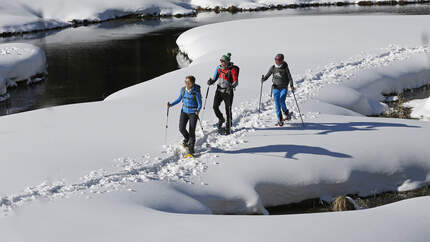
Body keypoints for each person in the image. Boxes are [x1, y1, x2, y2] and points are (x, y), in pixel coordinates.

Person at [167, 76, 202, 154]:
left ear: (192, 83)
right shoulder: (183, 90)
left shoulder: (196, 92)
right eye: (185, 82)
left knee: (192, 131)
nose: (186, 83)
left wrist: (198, 110)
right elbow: (179, 99)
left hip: (193, 112)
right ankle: (187, 138)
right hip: (184, 111)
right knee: (181, 128)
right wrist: (171, 105)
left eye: (188, 82)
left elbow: (200, 104)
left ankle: (191, 149)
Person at [207, 53, 239, 135]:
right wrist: (211, 81)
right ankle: (221, 119)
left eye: (223, 61)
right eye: (221, 61)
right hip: (218, 91)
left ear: (227, 61)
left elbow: (236, 81)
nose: (222, 62)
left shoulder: (232, 70)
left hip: (228, 92)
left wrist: (232, 86)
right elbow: (214, 78)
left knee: (228, 109)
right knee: (215, 107)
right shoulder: (219, 68)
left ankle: (228, 127)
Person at [261, 53, 295, 126]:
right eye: (275, 59)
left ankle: (286, 112)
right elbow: (268, 75)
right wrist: (264, 79)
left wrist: (291, 85)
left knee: (282, 100)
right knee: (277, 104)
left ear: (282, 60)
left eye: (278, 60)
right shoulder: (273, 68)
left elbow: (290, 77)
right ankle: (280, 120)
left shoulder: (285, 67)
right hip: (275, 88)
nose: (276, 61)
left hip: (283, 88)